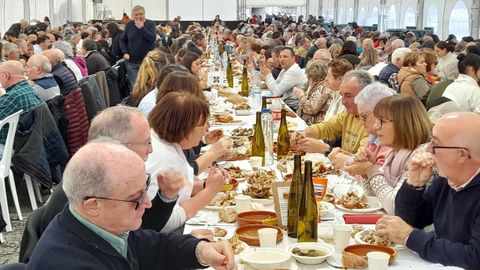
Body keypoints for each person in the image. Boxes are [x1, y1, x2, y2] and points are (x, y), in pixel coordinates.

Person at [26, 139, 236, 270]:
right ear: (93, 205)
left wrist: (200, 251)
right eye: (135, 198)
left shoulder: (99, 225)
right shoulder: (70, 262)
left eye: (145, 189)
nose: (147, 203)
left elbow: (151, 246)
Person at [375, 112, 480, 269]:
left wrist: (411, 237)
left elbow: (474, 258)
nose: (428, 149)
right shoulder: (445, 181)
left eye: (435, 144)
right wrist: (414, 185)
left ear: (462, 155)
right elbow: (411, 220)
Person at [146, 92, 227, 233]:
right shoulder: (162, 160)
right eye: (202, 125)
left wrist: (206, 184)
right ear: (184, 127)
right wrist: (209, 191)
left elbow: (180, 188)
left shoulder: (171, 145)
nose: (206, 129)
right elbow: (164, 224)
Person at [344, 95, 432, 214]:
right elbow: (372, 197)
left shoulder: (422, 155)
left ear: (404, 123)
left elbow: (395, 206)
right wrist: (366, 171)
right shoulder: (395, 152)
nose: (376, 127)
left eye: (382, 121)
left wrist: (371, 171)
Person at [290, 70, 371, 155]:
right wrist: (304, 133)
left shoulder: (372, 123)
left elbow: (359, 164)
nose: (343, 102)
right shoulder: (349, 113)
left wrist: (325, 149)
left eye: (348, 96)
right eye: (342, 95)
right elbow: (327, 127)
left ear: (365, 95)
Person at [329, 82, 395, 170]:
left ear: (381, 113)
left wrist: (346, 162)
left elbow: (379, 179)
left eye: (364, 116)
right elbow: (361, 160)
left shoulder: (390, 141)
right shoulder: (374, 136)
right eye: (360, 117)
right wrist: (345, 155)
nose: (361, 121)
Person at [0, 61, 42, 147]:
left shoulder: (13, 97)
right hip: (27, 144)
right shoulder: (28, 89)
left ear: (6, 76)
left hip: (8, 147)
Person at [120, 5, 156, 88]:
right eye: (136, 15)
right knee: (135, 87)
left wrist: (142, 28)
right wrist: (125, 52)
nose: (139, 16)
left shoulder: (150, 24)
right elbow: (122, 40)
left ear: (144, 14)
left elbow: (152, 38)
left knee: (148, 86)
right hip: (132, 62)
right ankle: (136, 101)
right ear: (132, 16)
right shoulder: (129, 25)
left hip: (148, 61)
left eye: (141, 14)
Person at [293, 60, 332, 125]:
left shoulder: (323, 87)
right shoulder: (313, 85)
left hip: (316, 126)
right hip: (306, 122)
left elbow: (311, 109)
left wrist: (300, 96)